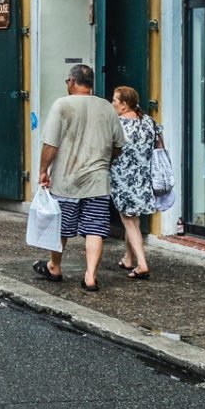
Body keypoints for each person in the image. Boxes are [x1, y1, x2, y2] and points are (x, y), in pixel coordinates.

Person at [34, 63, 125, 292]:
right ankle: (91, 276)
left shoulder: (62, 105)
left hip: (67, 180)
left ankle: (54, 266)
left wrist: (43, 170)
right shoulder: (107, 107)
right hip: (97, 181)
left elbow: (50, 144)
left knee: (62, 228)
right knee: (95, 229)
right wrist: (105, 163)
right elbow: (118, 146)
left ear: (72, 82)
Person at [110, 86, 156, 280]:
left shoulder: (118, 124)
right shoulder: (148, 121)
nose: (112, 103)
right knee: (134, 219)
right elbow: (159, 143)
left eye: (114, 100)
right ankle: (128, 258)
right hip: (143, 177)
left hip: (123, 177)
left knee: (128, 221)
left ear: (124, 104)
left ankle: (142, 263)